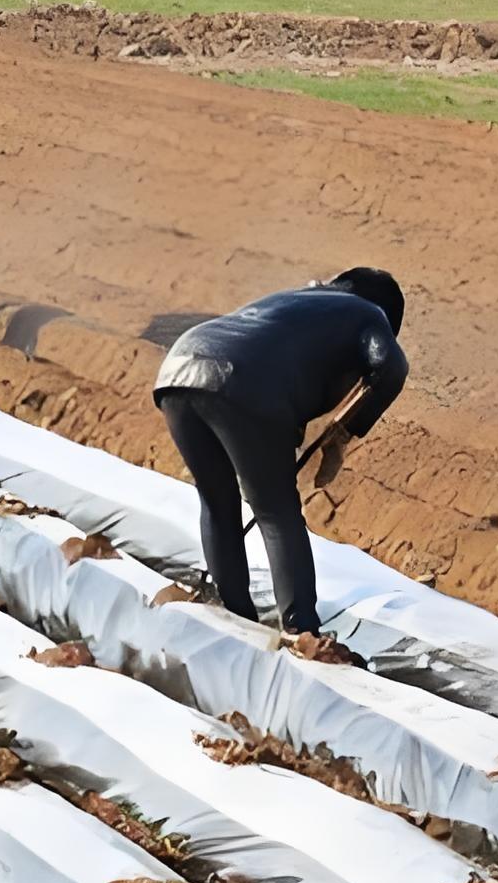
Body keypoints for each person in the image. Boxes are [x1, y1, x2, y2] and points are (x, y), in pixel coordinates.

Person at [152, 269, 408, 635]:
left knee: (217, 504)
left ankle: (233, 620)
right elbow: (391, 367)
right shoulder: (370, 314)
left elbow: (278, 362)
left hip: (179, 367)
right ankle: (302, 630)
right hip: (241, 380)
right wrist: (342, 436)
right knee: (277, 514)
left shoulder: (297, 302)